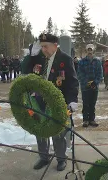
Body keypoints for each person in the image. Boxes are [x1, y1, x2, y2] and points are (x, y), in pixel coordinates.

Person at [22, 33, 79, 171]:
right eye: (41, 47)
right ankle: (44, 157)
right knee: (40, 130)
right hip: (40, 101)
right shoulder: (39, 58)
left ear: (55, 45)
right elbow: (24, 71)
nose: (43, 50)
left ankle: (61, 158)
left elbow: (72, 82)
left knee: (57, 132)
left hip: (57, 102)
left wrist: (72, 101)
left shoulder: (64, 59)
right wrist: (31, 56)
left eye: (45, 47)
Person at [78, 44, 103, 127]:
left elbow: (100, 74)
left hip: (94, 87)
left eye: (91, 50)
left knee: (92, 104)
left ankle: (92, 119)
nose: (89, 52)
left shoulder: (97, 62)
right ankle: (85, 120)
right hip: (85, 87)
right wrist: (87, 83)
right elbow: (80, 74)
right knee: (86, 103)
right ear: (86, 51)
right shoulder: (81, 62)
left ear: (93, 51)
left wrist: (95, 82)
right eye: (88, 50)